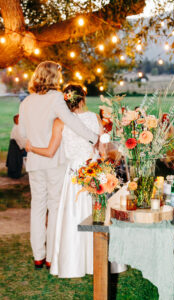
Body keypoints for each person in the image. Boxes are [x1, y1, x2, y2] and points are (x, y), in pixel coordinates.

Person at [19, 61, 99, 270]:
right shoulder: (56, 98)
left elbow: (22, 133)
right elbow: (72, 122)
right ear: (54, 77)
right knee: (54, 208)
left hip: (34, 161)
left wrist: (31, 145)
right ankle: (50, 258)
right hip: (54, 161)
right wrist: (93, 137)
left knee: (37, 208)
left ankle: (38, 255)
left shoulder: (26, 101)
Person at [6, 114, 26, 178]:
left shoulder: (17, 127)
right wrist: (24, 146)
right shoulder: (17, 128)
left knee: (14, 161)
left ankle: (14, 174)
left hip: (15, 145)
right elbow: (20, 139)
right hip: (15, 146)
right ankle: (15, 175)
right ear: (17, 120)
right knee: (15, 161)